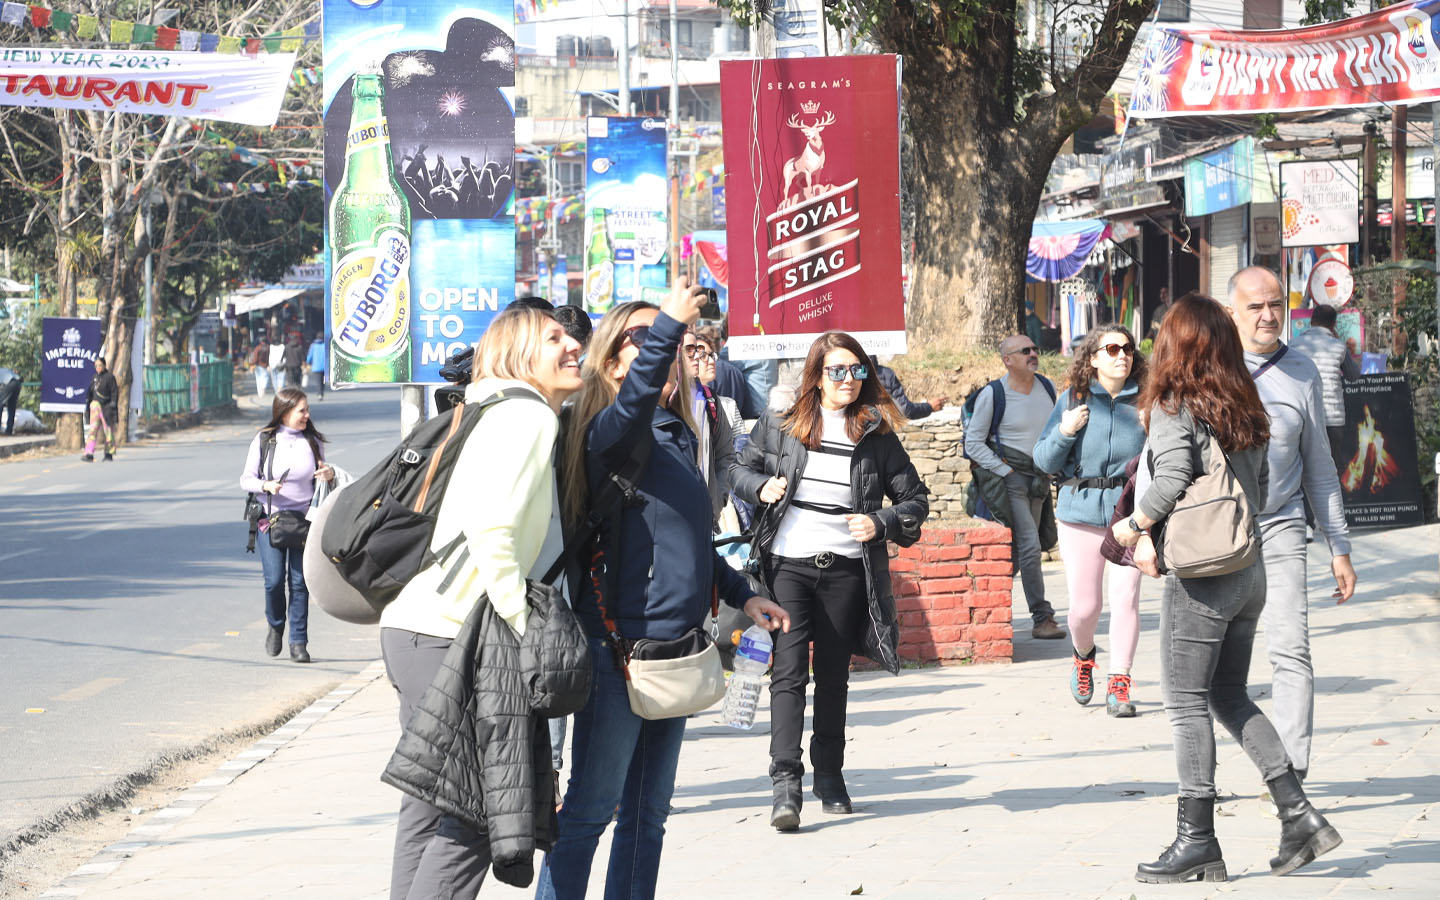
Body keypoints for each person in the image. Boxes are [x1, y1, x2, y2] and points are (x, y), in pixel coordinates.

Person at [540, 281, 789, 900]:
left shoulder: (675, 437)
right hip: (617, 653)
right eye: (647, 341)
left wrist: (742, 591)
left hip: (677, 651)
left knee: (648, 818)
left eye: (671, 343)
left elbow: (690, 542)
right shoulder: (605, 432)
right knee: (589, 816)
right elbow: (628, 409)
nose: (668, 351)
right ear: (612, 358)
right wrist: (672, 323)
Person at [1113, 292, 1341, 883]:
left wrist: (1137, 526)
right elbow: (1260, 490)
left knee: (1186, 700)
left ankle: (1197, 840)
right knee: (1230, 696)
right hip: (1248, 569)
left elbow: (1171, 475)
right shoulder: (1245, 403)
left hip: (1204, 577)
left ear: (1175, 343)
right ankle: (1299, 815)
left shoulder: (1172, 404)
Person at [379, 307, 582, 899]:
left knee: (430, 804)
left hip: (414, 629)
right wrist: (524, 627)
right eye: (553, 338)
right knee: (475, 811)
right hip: (454, 636)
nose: (571, 346)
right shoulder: (527, 415)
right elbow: (493, 531)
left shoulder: (489, 406)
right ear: (519, 354)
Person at [732, 331, 928, 831]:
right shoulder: (782, 426)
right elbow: (736, 469)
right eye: (837, 371)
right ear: (816, 376)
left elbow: (916, 498)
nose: (848, 380)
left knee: (835, 676)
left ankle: (830, 774)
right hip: (787, 564)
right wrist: (761, 486)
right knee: (790, 672)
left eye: (857, 370)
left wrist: (880, 522)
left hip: (845, 568)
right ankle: (785, 783)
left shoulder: (876, 435)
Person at [1226, 268, 1356, 788]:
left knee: (1291, 650)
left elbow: (1320, 464)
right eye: (1254, 306)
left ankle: (1291, 771)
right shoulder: (1211, 367)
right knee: (1210, 669)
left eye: (1275, 304)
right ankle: (1202, 778)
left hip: (1281, 527)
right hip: (1219, 532)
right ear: (1232, 310)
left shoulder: (1302, 370)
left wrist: (1339, 546)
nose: (1267, 315)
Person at [1033, 325, 1147, 717]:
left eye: (1128, 349)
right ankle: (1084, 657)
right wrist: (1066, 431)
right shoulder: (1074, 399)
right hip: (1079, 512)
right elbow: (1044, 460)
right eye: (1112, 348)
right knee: (1085, 608)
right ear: (1094, 357)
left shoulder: (1149, 402)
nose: (1122, 355)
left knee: (1126, 599)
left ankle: (1120, 682)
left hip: (1129, 515)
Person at [963, 335, 1064, 639]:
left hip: (1039, 481)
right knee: (1031, 545)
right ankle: (1042, 618)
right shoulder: (994, 394)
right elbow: (973, 443)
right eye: (1025, 351)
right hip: (1012, 481)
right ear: (1008, 359)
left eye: (1035, 349)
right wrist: (1005, 471)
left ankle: (982, 602)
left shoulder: (1047, 387)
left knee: (1023, 548)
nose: (1034, 354)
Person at [238, 387, 334, 664]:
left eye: (307, 410)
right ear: (285, 411)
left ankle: (298, 642)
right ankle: (276, 624)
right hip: (271, 521)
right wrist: (266, 485)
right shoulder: (265, 440)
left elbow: (324, 477)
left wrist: (327, 474)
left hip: (305, 522)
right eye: (302, 410)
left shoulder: (312, 440)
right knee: (274, 582)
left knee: (300, 583)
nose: (307, 415)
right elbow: (246, 480)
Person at [680, 327, 740, 527]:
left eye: (697, 349)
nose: (697, 355)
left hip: (705, 519)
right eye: (689, 350)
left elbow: (726, 454)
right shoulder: (660, 400)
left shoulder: (709, 399)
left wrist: (716, 501)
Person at [1291, 303, 1359, 453]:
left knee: (1302, 469)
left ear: (1311, 321)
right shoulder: (1338, 346)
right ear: (1333, 325)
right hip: (1333, 420)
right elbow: (1354, 376)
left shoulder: (1293, 345)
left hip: (1302, 417)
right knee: (1331, 469)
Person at [875, 363, 946, 420]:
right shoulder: (884, 374)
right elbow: (905, 410)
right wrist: (929, 407)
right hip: (880, 434)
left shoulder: (882, 373)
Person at [82, 356, 119, 462]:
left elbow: (114, 392)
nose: (98, 367)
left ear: (104, 365)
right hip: (95, 407)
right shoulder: (94, 378)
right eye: (96, 365)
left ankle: (108, 453)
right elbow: (89, 393)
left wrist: (113, 404)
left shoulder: (110, 377)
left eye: (100, 365)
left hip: (106, 407)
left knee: (108, 431)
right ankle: (89, 453)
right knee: (92, 430)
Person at [304, 332, 327, 400]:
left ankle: (319, 394)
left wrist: (307, 362)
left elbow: (310, 356)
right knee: (323, 381)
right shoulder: (325, 345)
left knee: (318, 381)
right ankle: (321, 392)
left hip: (316, 367)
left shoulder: (313, 346)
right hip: (324, 367)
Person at [0, 365, 21, 436]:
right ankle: (9, 430)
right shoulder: (3, 369)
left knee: (0, 404)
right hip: (18, 383)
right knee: (11, 407)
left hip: (9, 383)